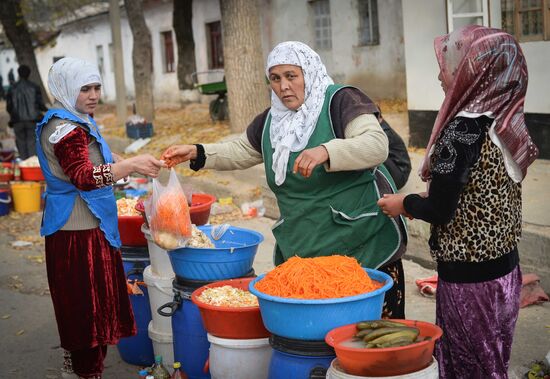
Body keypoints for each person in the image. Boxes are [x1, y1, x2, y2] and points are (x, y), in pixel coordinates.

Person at [162, 41, 408, 318]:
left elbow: (376, 145)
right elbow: (243, 149)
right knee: (315, 338)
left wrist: (327, 151)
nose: (283, 86)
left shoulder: (340, 101)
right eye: (275, 79)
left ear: (309, 73)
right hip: (305, 242)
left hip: (361, 245)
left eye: (292, 76)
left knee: (367, 337)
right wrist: (198, 152)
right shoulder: (272, 119)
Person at [377, 26, 538, 378]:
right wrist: (426, 196)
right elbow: (479, 193)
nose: (439, 73)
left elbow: (440, 210)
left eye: (449, 64)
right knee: (492, 363)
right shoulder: (506, 123)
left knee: (467, 369)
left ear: (476, 72)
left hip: (470, 283)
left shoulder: (462, 131)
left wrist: (404, 205)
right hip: (506, 274)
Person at [36, 57, 165, 379]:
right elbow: (83, 176)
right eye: (85, 89)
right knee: (86, 311)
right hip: (77, 233)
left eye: (96, 87)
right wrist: (130, 166)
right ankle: (85, 372)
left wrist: (128, 161)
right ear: (66, 88)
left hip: (88, 226)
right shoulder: (65, 131)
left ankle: (75, 365)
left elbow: (97, 157)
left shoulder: (74, 119)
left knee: (80, 306)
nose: (93, 95)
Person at [6, 65, 48, 159]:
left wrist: (14, 114)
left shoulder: (12, 88)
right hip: (32, 120)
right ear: (29, 74)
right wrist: (47, 110)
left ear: (18, 73)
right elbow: (40, 104)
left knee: (21, 144)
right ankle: (30, 165)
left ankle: (23, 164)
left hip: (17, 120)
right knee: (32, 142)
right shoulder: (34, 87)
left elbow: (9, 107)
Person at [377, 109, 411, 190]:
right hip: (398, 172)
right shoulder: (381, 126)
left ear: (378, 117)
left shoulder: (384, 133)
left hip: (400, 177)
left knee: (376, 152)